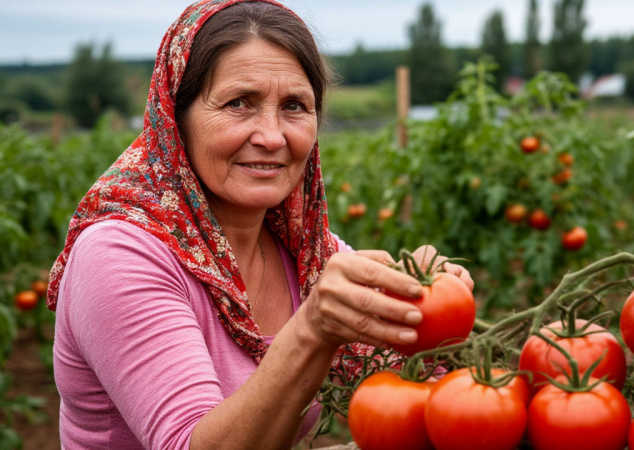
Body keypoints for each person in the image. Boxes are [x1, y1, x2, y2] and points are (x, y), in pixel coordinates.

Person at [46, 1, 473, 448]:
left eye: (294, 106)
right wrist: (311, 331)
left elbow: (427, 389)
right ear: (175, 118)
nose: (271, 136)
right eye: (238, 103)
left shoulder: (308, 254)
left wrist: (428, 311)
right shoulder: (118, 255)